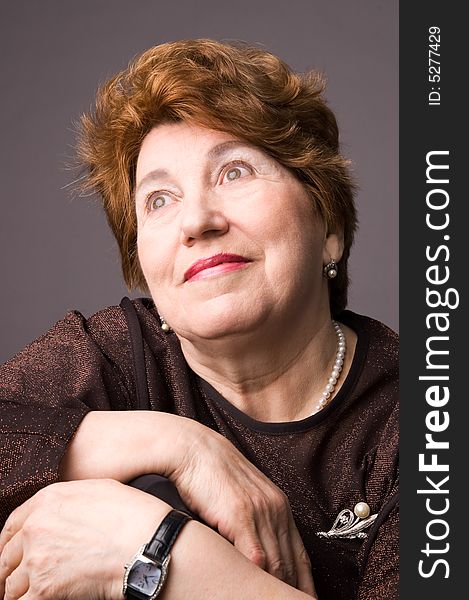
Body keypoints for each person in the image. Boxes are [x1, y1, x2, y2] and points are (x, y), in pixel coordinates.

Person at [0, 39, 398, 600]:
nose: (196, 221)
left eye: (234, 172)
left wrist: (151, 550)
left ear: (328, 225)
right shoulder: (114, 353)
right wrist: (181, 445)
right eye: (159, 198)